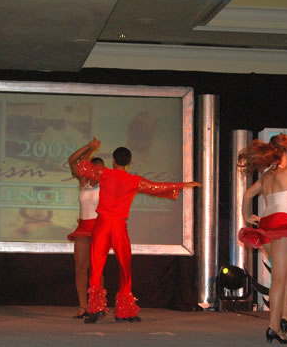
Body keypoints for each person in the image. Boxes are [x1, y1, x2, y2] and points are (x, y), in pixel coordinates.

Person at [75, 138, 200, 324]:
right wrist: (183, 185)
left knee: (96, 266)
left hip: (102, 224)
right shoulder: (133, 180)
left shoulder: (104, 173)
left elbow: (81, 166)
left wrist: (90, 150)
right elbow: (157, 188)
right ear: (128, 163)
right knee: (125, 266)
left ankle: (95, 309)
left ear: (114, 161)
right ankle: (124, 312)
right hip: (118, 225)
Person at [237, 129, 287, 344]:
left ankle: (285, 318)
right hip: (281, 226)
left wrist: (246, 215)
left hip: (266, 225)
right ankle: (273, 326)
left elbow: (247, 195)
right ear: (285, 152)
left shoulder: (267, 176)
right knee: (280, 279)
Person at [67, 142, 104, 319]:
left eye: (101, 169)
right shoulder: (83, 180)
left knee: (97, 269)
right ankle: (83, 306)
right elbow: (73, 160)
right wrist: (90, 148)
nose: (99, 172)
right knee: (80, 267)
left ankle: (98, 305)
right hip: (83, 228)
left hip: (99, 229)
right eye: (95, 168)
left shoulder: (107, 184)